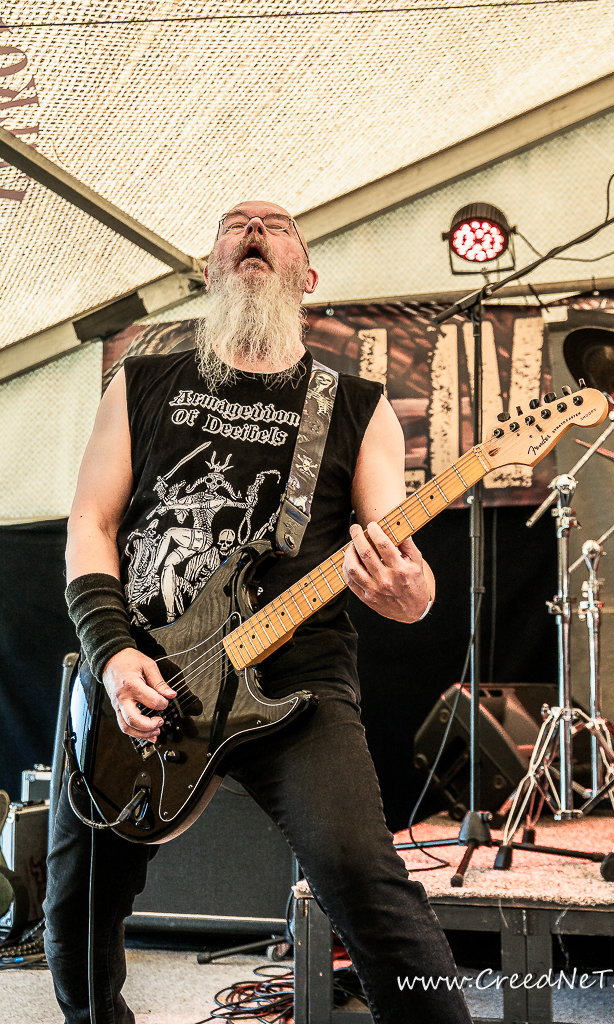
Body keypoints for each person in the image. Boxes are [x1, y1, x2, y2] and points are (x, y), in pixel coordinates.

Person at [44, 201, 473, 1024]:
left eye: (275, 226)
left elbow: (397, 557)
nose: (252, 230)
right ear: (210, 271)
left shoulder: (356, 406)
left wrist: (410, 594)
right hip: (140, 670)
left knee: (361, 875)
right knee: (77, 901)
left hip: (295, 680)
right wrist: (110, 653)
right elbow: (91, 524)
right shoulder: (141, 381)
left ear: (305, 277)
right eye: (233, 224)